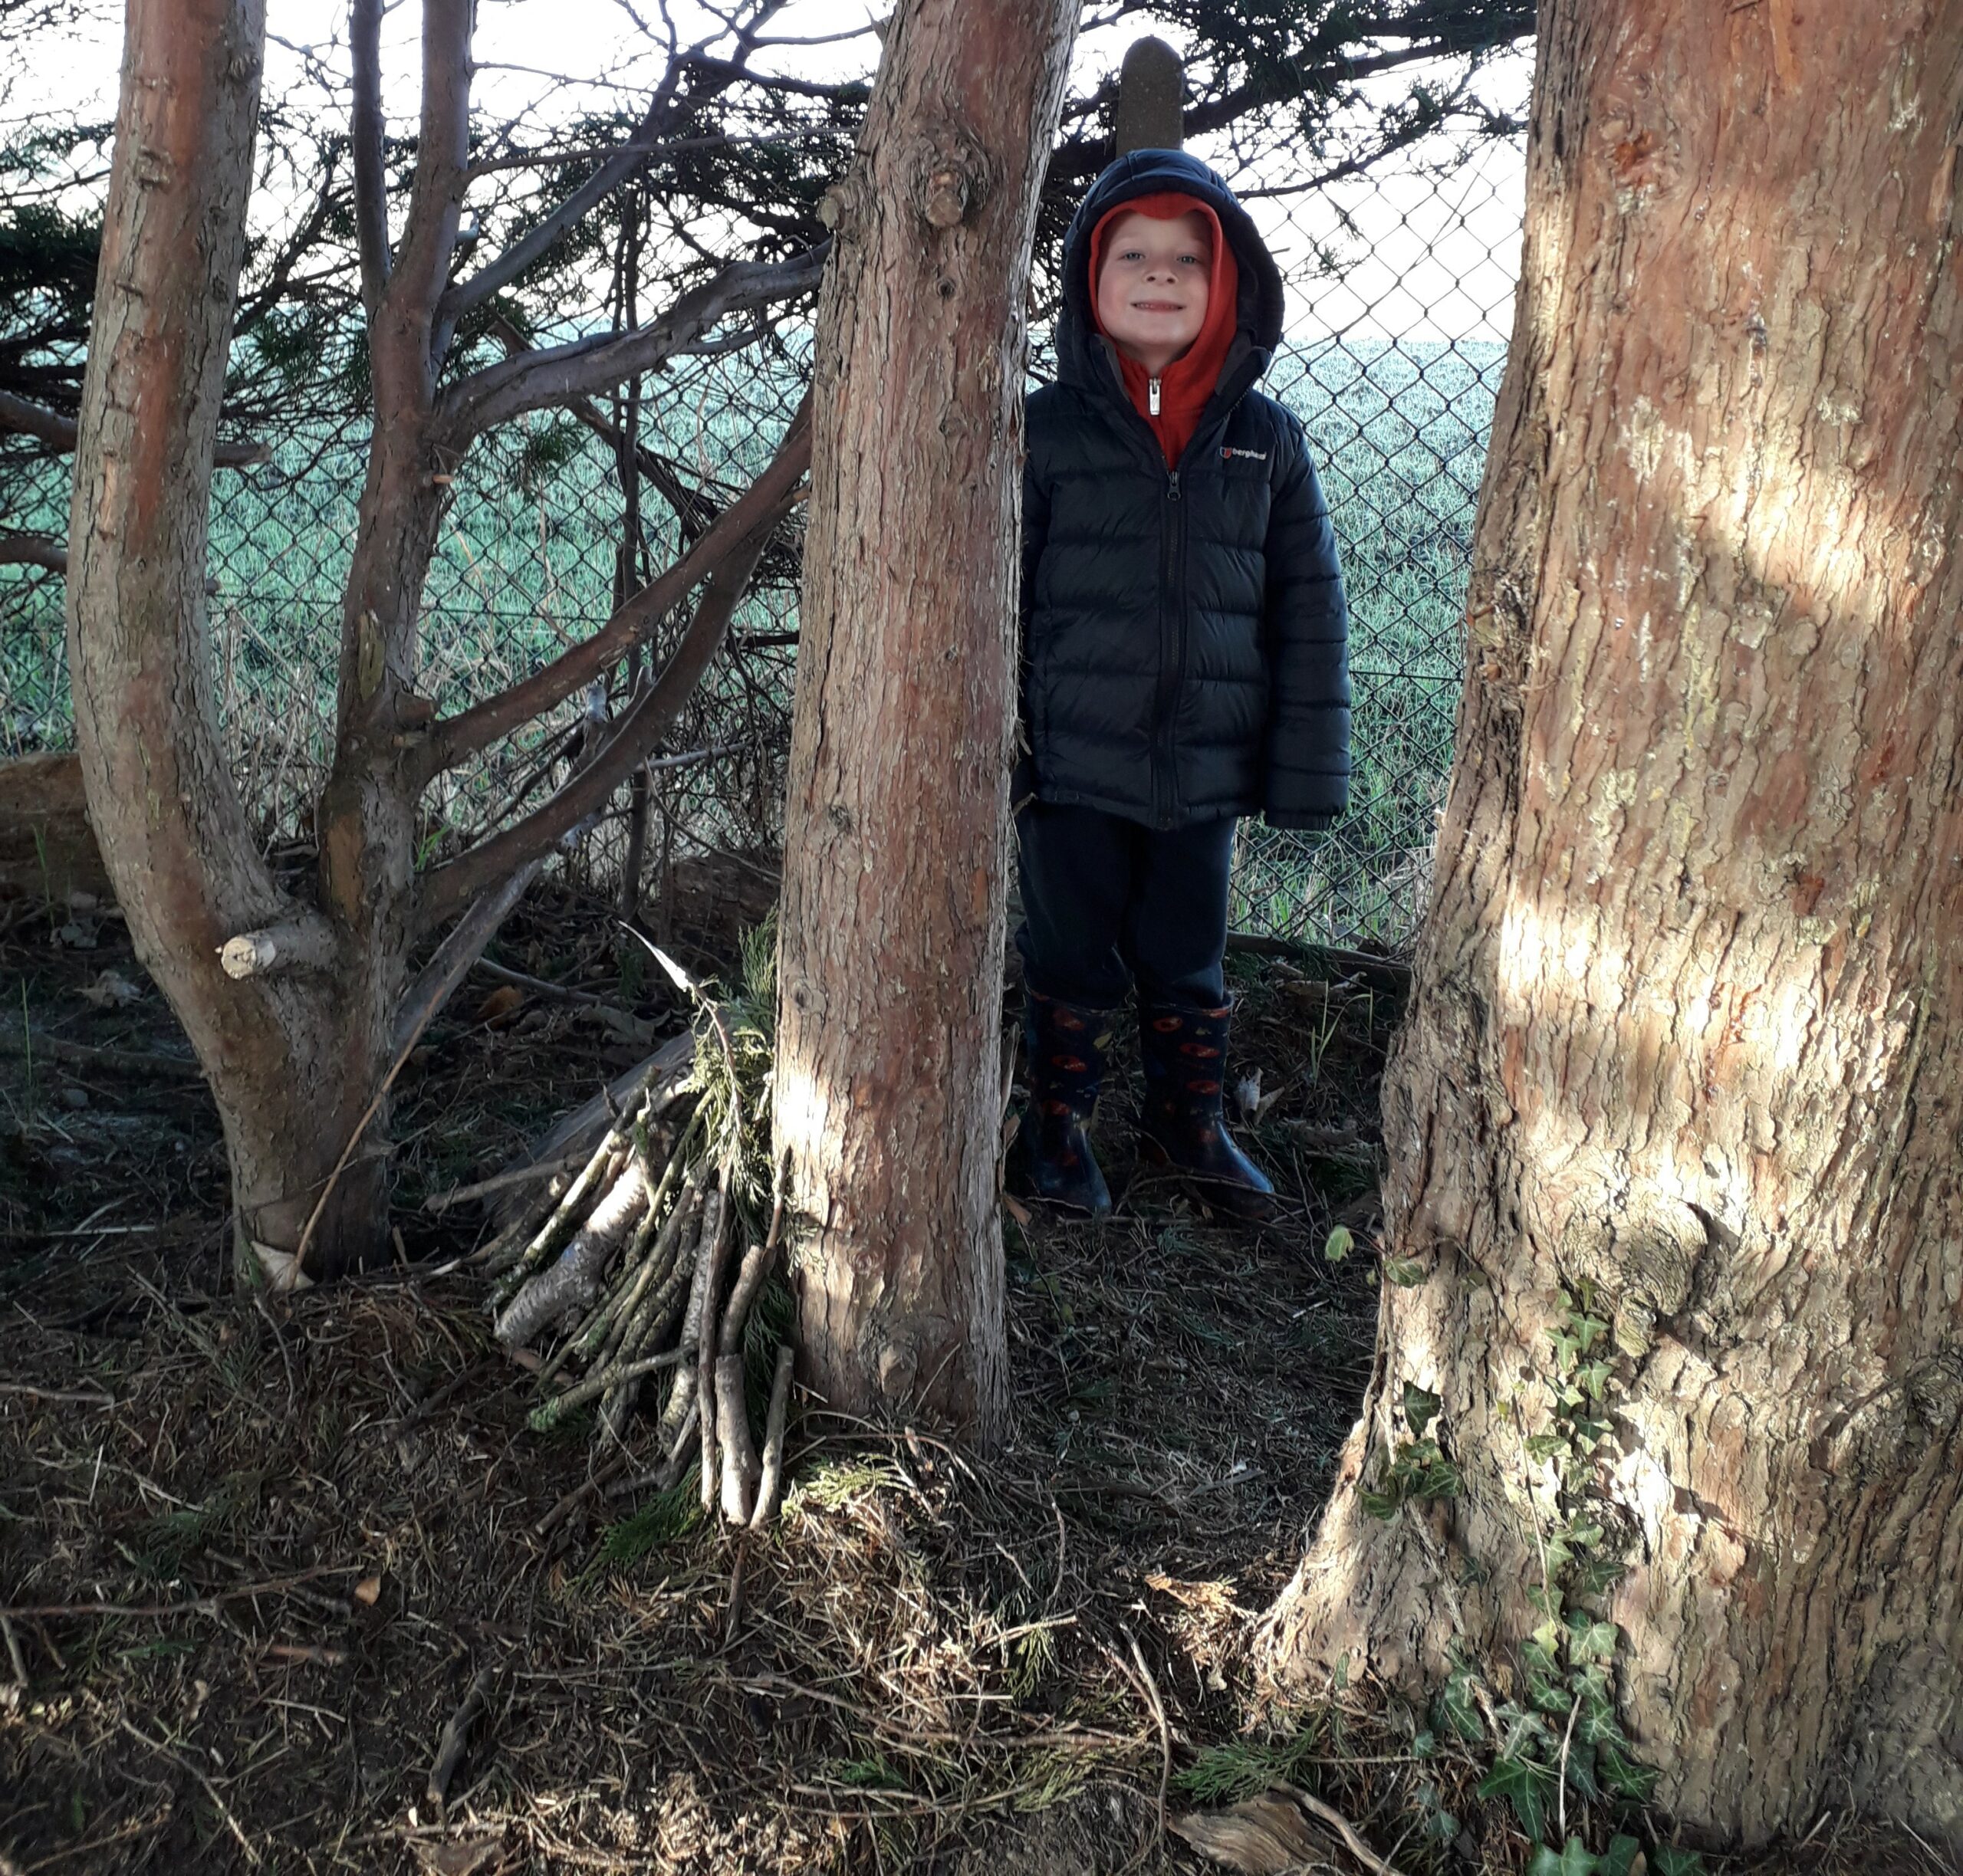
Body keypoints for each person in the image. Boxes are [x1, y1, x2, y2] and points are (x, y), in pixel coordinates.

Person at [1014, 147, 1350, 1221]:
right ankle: (1054, 1132)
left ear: (1230, 285)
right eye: (1133, 254)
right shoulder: (1042, 435)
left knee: (1186, 949)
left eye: (1188, 260)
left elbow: (1310, 611)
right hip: (1070, 762)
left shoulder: (1265, 444)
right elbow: (997, 595)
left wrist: (1301, 772)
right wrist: (1001, 744)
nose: (1161, 276)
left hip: (1204, 769)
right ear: (1087, 282)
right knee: (1069, 949)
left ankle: (1185, 1124)